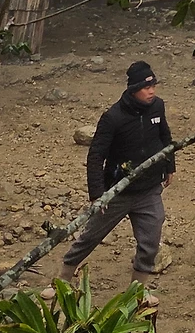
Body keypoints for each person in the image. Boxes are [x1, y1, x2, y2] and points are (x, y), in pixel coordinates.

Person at [60, 60, 174, 279]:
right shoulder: (113, 117)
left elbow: (165, 137)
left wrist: (170, 165)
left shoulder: (158, 106)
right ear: (133, 89)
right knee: (90, 237)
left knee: (150, 242)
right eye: (146, 87)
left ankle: (137, 292)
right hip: (117, 192)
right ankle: (61, 281)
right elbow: (96, 155)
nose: (151, 91)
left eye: (153, 86)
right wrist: (97, 195)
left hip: (149, 190)